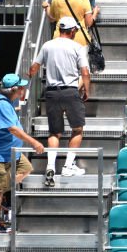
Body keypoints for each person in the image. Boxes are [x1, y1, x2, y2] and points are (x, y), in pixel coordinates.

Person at [29, 17, 92, 184]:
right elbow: (85, 72)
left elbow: (34, 67)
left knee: (54, 132)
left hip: (51, 93)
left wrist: (27, 82)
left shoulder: (47, 45)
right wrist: (87, 89)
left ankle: (50, 166)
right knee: (77, 129)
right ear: (72, 31)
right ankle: (68, 165)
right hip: (70, 91)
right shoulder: (77, 47)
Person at [0, 73, 44, 234]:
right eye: (21, 87)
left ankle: (4, 188)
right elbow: (13, 129)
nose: (23, 90)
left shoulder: (4, 100)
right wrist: (34, 142)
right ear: (14, 89)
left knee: (26, 168)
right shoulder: (2, 104)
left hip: (12, 152)